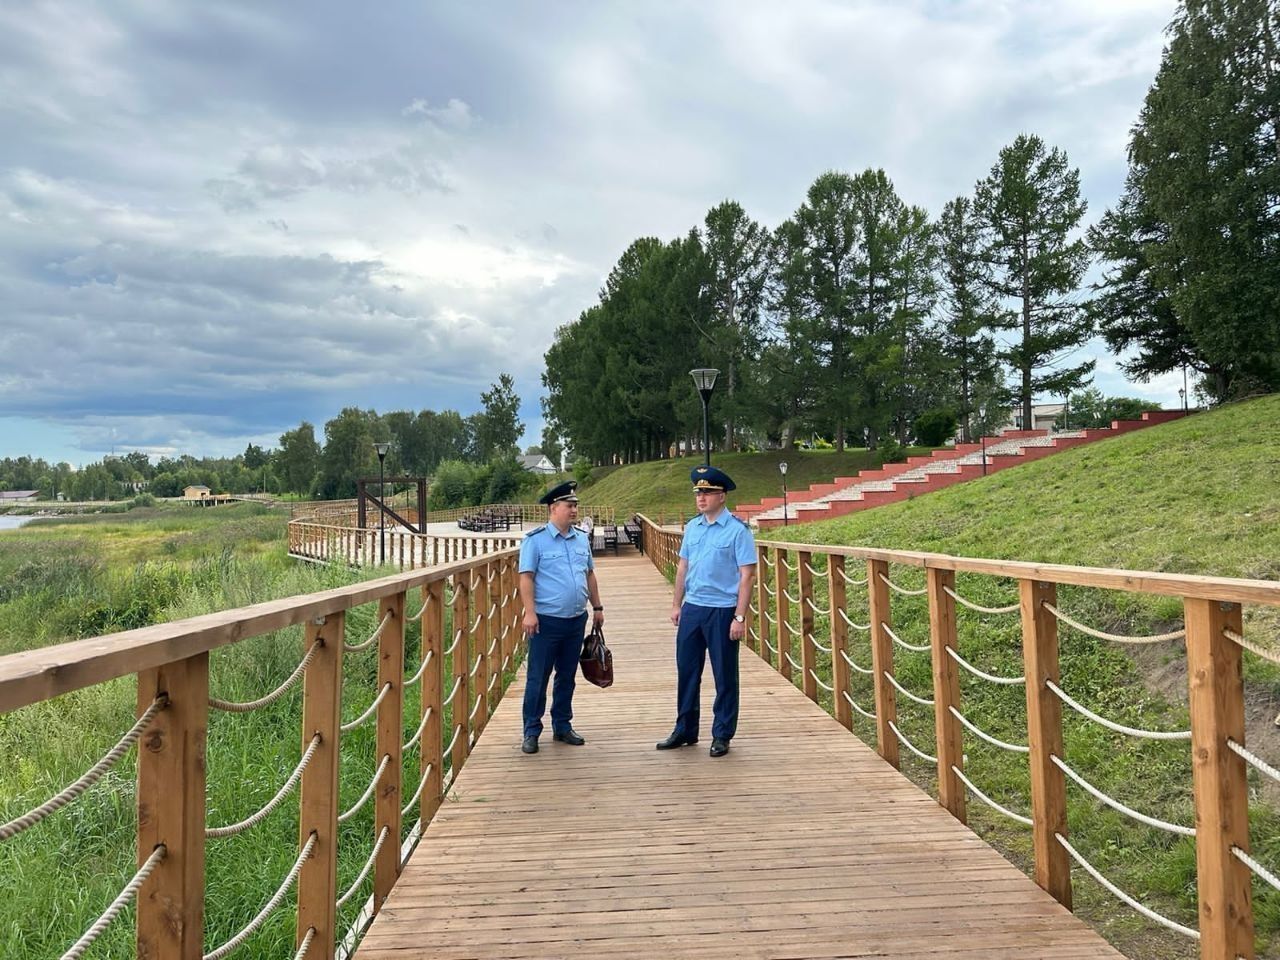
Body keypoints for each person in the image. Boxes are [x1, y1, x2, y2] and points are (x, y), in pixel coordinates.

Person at [657, 465, 757, 757]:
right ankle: (685, 729)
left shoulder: (738, 531)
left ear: (722, 496)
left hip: (722, 611)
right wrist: (677, 604)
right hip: (693, 609)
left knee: (725, 675)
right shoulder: (692, 528)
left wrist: (739, 616)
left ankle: (722, 733)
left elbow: (746, 575)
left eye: (708, 492)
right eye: (698, 492)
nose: (701, 498)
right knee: (687, 671)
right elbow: (682, 568)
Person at [518, 480, 604, 754]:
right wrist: (529, 613)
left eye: (576, 505)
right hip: (546, 621)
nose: (574, 509)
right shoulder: (536, 541)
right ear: (554, 508)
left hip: (576, 620)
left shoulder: (580, 538)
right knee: (537, 678)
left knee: (567, 676)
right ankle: (531, 731)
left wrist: (598, 608)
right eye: (570, 505)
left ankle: (562, 726)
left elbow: (589, 574)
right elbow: (526, 578)